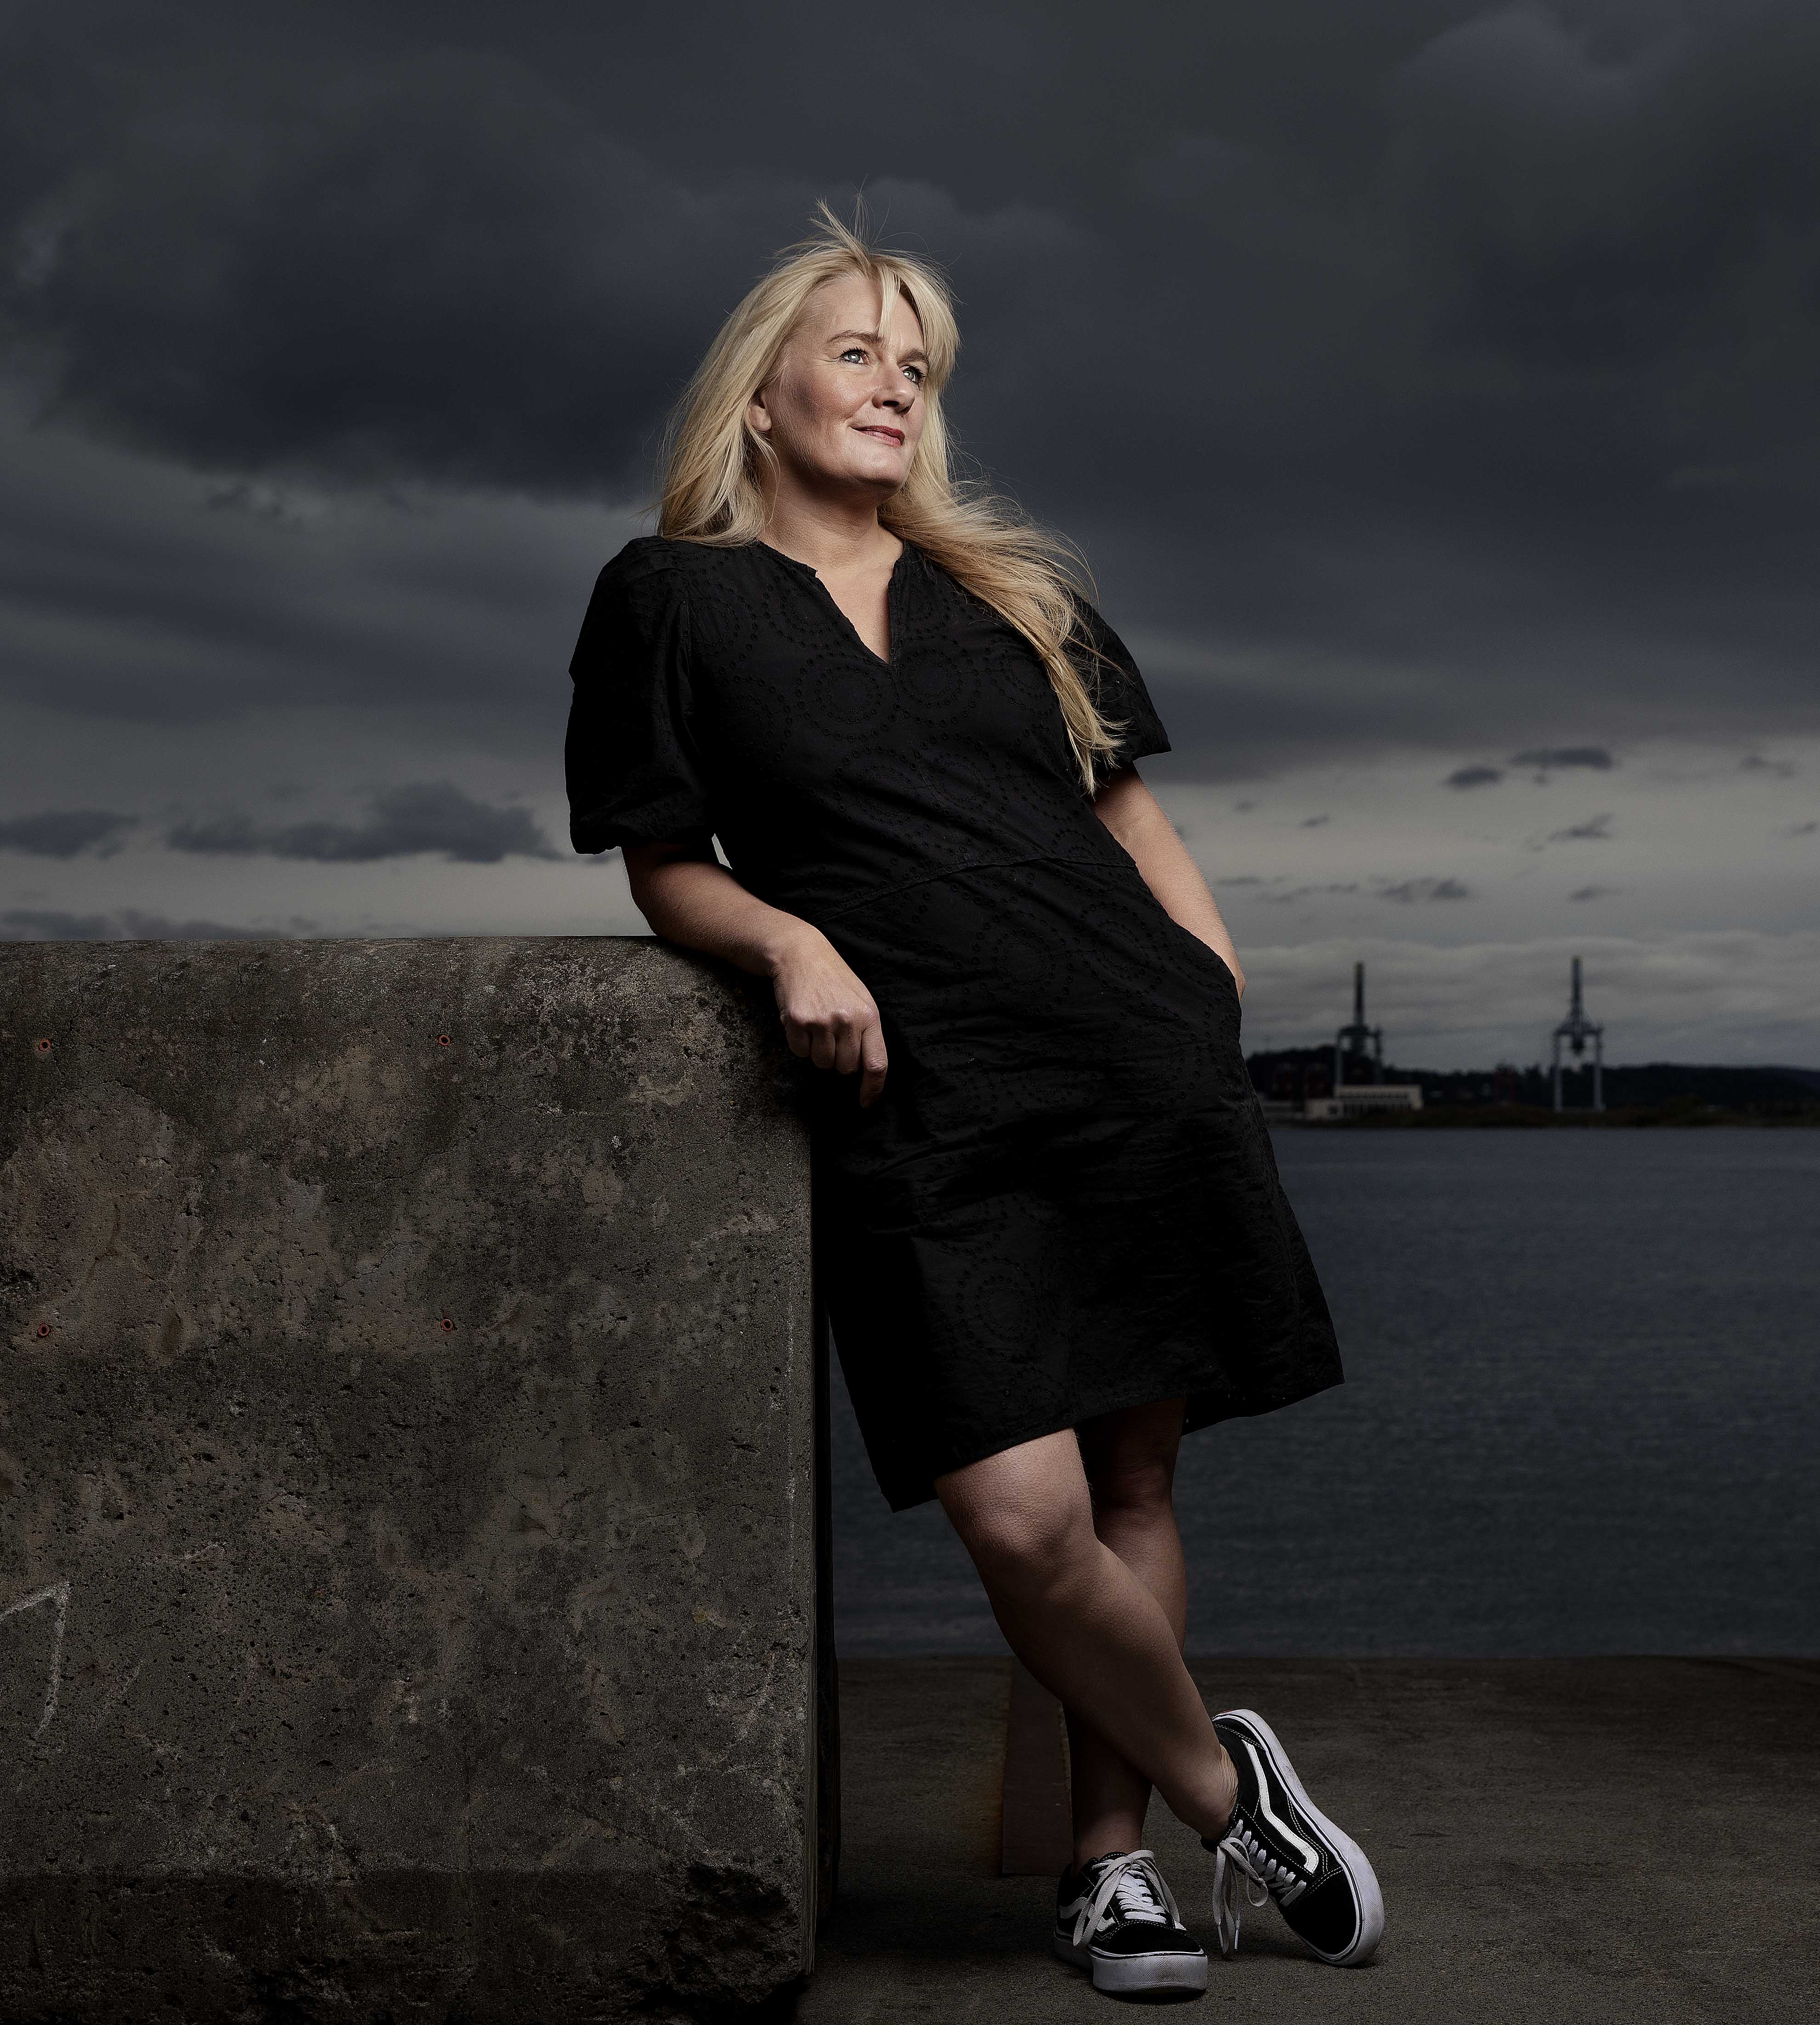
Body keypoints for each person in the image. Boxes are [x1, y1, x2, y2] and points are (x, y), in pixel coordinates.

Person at [562, 209, 1379, 2000]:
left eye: (916, 365)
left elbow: (1126, 814)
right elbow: (661, 861)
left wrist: (1208, 994)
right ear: (761, 395)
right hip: (921, 1113)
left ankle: (1113, 1870)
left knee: (1134, 1481)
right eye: (857, 351)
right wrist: (788, 940)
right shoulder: (669, 599)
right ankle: (1230, 1794)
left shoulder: (1015, 591)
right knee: (1020, 1518)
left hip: (1133, 1075)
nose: (894, 384)